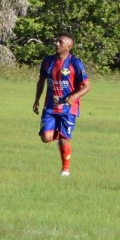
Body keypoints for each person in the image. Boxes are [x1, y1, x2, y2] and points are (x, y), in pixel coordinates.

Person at [32, 33, 91, 176]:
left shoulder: (75, 63)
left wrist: (74, 96)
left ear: (69, 47)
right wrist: (36, 100)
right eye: (56, 41)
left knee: (65, 138)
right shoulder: (47, 61)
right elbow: (41, 81)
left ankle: (65, 169)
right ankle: (60, 134)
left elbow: (87, 86)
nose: (56, 44)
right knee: (46, 138)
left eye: (61, 42)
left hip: (68, 108)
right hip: (50, 106)